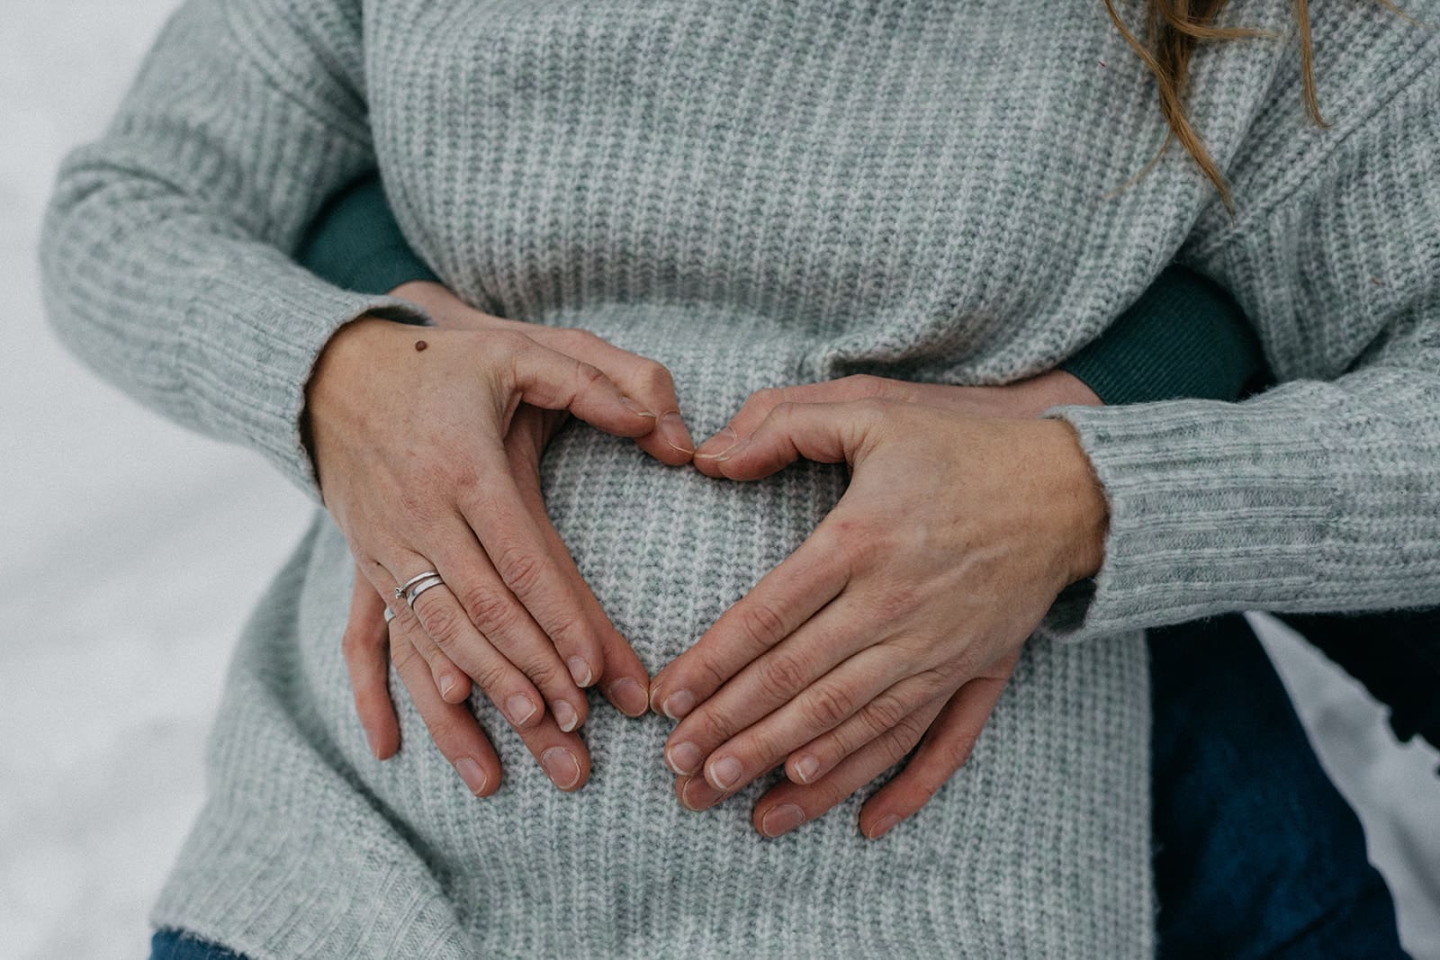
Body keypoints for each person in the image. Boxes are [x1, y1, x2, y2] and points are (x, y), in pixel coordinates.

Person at [41, 0, 1439, 956]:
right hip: (350, 889)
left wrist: (1087, 497)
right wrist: (337, 374)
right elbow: (132, 207)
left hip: (946, 906)